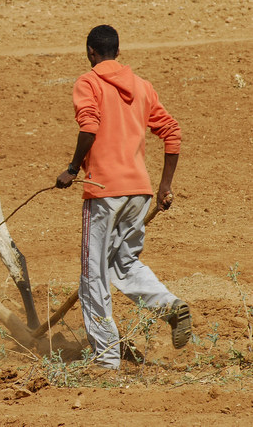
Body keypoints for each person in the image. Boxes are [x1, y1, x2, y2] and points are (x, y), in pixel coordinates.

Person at [55, 24, 192, 370]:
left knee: (93, 275)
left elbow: (89, 127)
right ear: (118, 51)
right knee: (123, 264)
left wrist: (72, 169)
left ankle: (105, 360)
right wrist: (164, 187)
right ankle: (169, 304)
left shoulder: (89, 83)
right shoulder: (143, 88)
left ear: (90, 53)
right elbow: (172, 131)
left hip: (104, 192)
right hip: (139, 193)